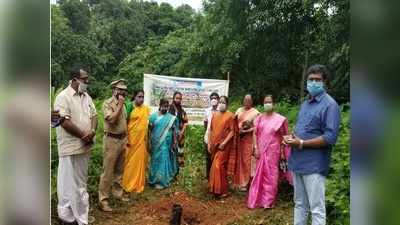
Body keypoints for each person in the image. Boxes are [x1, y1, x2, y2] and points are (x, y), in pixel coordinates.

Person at [285, 65, 341, 225]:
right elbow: (302, 130)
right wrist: (292, 138)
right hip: (298, 162)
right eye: (311, 79)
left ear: (325, 82)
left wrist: (301, 143)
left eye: (318, 80)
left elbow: (330, 137)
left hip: (314, 165)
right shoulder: (305, 104)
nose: (314, 82)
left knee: (317, 209)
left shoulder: (330, 105)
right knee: (300, 204)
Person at [54, 68, 97, 225]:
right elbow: (63, 121)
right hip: (69, 147)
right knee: (66, 183)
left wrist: (92, 131)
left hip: (84, 147)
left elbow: (94, 116)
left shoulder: (87, 97)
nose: (87, 82)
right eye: (84, 79)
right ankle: (66, 217)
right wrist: (83, 136)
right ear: (74, 79)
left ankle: (80, 216)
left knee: (80, 183)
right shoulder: (62, 97)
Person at [247, 95, 292, 209]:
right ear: (263, 104)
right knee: (260, 175)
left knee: (271, 176)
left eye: (270, 102)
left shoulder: (280, 119)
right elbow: (255, 134)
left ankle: (268, 201)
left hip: (274, 151)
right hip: (261, 151)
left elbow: (285, 136)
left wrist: (283, 151)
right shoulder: (259, 118)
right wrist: (255, 147)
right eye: (265, 102)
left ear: (274, 104)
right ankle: (257, 199)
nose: (267, 104)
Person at [98, 79, 130, 212]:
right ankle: (103, 200)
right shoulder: (108, 103)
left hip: (122, 140)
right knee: (108, 171)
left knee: (119, 170)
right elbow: (111, 119)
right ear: (114, 90)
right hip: (111, 140)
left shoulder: (124, 105)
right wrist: (120, 105)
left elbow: (124, 123)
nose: (122, 92)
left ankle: (117, 194)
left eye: (124, 90)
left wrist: (126, 138)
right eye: (119, 89)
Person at [122, 90, 151, 193]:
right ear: (134, 97)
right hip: (131, 140)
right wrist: (126, 138)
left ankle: (138, 184)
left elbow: (147, 124)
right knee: (129, 163)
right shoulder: (129, 106)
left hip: (141, 141)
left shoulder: (146, 109)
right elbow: (124, 123)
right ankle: (128, 184)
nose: (141, 99)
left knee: (139, 162)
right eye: (139, 97)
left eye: (143, 97)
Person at [208, 96, 235, 198]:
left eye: (223, 102)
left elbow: (232, 131)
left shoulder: (231, 116)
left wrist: (224, 143)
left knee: (218, 165)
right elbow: (211, 130)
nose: (221, 104)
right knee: (218, 167)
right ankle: (218, 189)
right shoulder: (214, 115)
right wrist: (210, 143)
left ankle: (220, 190)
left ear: (227, 104)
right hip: (214, 145)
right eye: (220, 102)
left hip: (224, 146)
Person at [148, 98, 178, 189]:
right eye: (164, 106)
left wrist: (175, 141)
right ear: (160, 106)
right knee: (155, 161)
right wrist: (149, 142)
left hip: (166, 143)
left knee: (164, 159)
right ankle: (153, 180)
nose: (165, 108)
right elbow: (149, 130)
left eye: (167, 106)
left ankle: (162, 181)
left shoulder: (171, 118)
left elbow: (174, 131)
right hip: (155, 143)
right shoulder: (153, 117)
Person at [233, 94, 259, 191]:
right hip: (238, 139)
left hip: (248, 139)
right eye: (245, 100)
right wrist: (237, 130)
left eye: (249, 100)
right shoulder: (239, 110)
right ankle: (237, 182)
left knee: (246, 161)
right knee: (238, 160)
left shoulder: (256, 113)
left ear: (252, 102)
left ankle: (245, 183)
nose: (246, 102)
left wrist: (246, 131)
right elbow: (234, 122)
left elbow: (256, 128)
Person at [168, 91, 188, 167]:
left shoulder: (182, 111)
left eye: (180, 98)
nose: (178, 100)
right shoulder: (169, 108)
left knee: (179, 151)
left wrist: (181, 132)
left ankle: (178, 168)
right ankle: (170, 169)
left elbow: (186, 122)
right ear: (173, 98)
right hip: (171, 134)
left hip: (180, 135)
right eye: (177, 98)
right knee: (171, 151)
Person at [203, 92, 219, 179]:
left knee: (216, 158)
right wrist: (206, 136)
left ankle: (215, 176)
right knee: (208, 158)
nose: (213, 100)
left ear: (218, 100)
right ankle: (208, 176)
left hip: (217, 138)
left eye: (215, 98)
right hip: (208, 137)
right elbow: (205, 124)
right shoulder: (207, 111)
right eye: (212, 98)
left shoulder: (221, 110)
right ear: (210, 100)